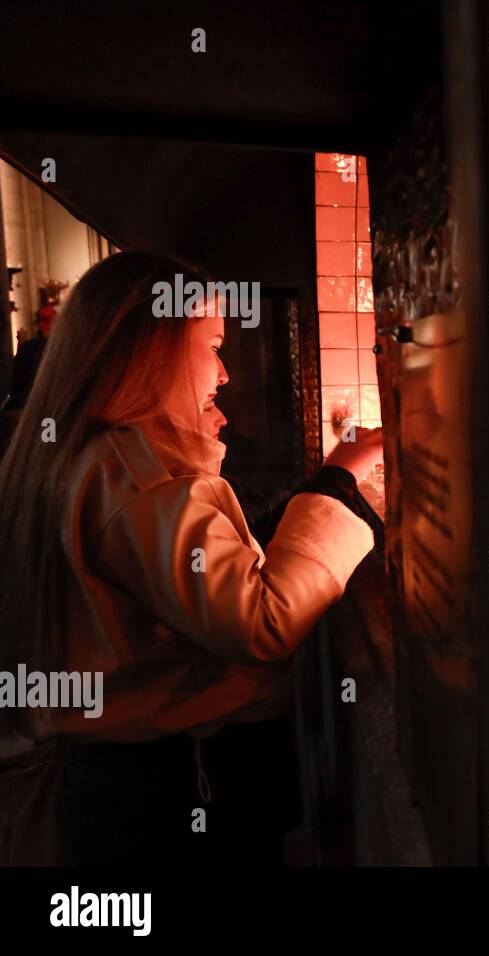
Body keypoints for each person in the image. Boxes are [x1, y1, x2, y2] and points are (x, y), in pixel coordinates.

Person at [0, 252, 384, 865]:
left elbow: (179, 573)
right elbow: (261, 620)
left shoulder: (87, 455)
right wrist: (340, 480)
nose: (226, 373)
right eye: (212, 344)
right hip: (171, 790)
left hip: (118, 778)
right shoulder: (138, 476)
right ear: (152, 349)